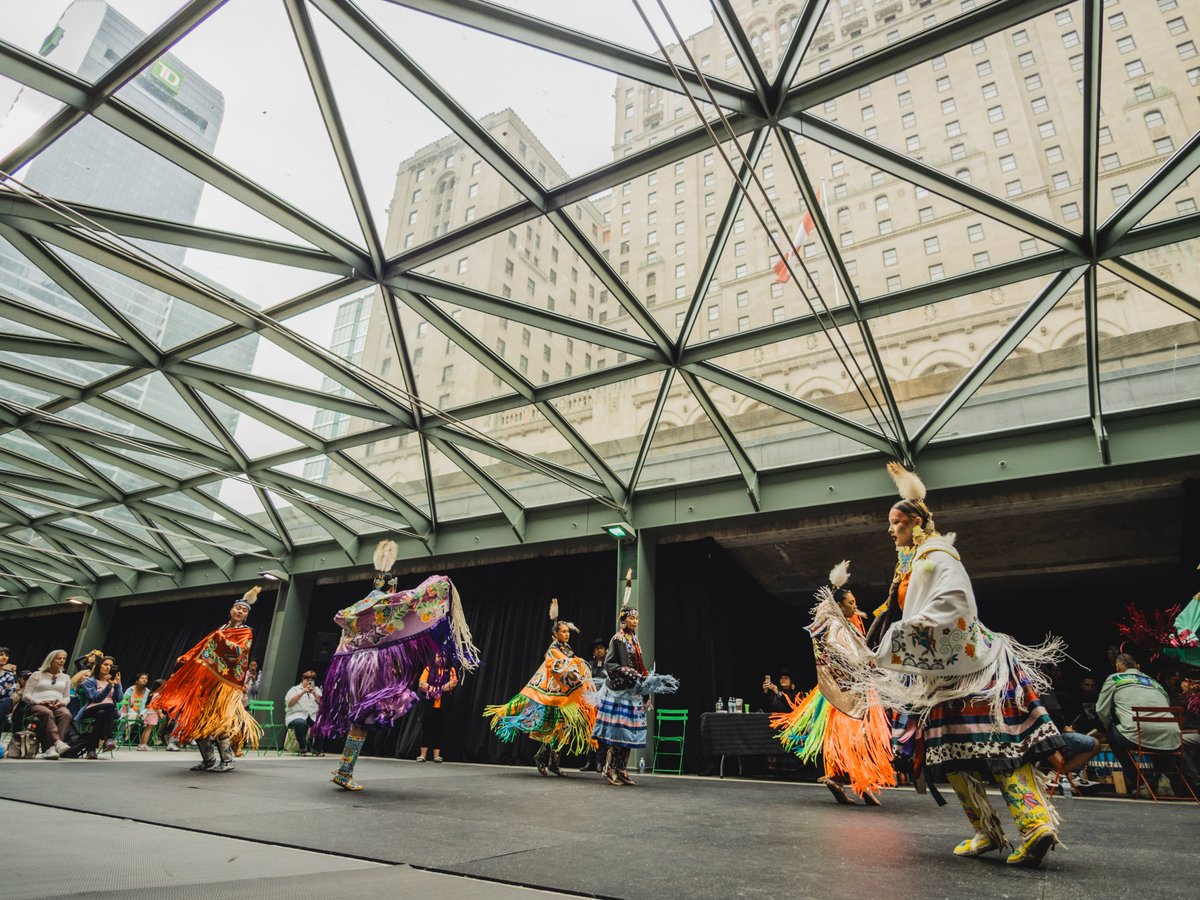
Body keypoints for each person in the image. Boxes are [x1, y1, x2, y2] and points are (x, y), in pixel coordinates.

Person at [868, 462, 1066, 868]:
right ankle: (987, 830)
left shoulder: (937, 555)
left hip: (974, 670)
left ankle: (1035, 826)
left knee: (1001, 747)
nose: (891, 530)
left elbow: (955, 604)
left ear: (918, 522)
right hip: (946, 676)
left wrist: (905, 635)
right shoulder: (916, 559)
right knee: (952, 755)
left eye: (897, 522)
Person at [311, 540, 479, 792]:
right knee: (364, 718)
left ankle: (345, 769)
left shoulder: (357, 609)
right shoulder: (386, 606)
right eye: (391, 586)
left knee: (361, 720)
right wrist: (439, 583)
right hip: (370, 666)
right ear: (387, 586)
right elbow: (410, 601)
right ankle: (344, 771)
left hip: (353, 666)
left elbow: (344, 628)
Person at [773, 561, 895, 806]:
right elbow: (840, 653)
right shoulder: (836, 626)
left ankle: (846, 780)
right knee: (857, 738)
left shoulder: (840, 625)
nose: (855, 606)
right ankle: (859, 783)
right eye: (850, 602)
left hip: (844, 692)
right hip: (847, 694)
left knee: (846, 740)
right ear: (838, 605)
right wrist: (863, 663)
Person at [154, 587, 263, 773]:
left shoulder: (246, 632)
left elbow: (238, 653)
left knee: (219, 722)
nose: (240, 611)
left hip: (225, 684)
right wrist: (187, 658)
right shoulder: (219, 629)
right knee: (198, 720)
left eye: (244, 610)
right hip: (207, 681)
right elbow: (203, 649)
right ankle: (208, 759)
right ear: (231, 610)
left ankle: (228, 760)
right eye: (238, 608)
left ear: (246, 616)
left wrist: (221, 640)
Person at [485, 600, 598, 776]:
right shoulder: (553, 649)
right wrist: (575, 662)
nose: (567, 634)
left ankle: (552, 762)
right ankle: (543, 756)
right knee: (553, 727)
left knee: (562, 728)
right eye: (564, 631)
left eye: (568, 631)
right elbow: (555, 665)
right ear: (555, 633)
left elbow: (570, 665)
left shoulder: (566, 648)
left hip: (564, 694)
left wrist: (578, 667)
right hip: (551, 694)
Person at [591, 593, 678, 787]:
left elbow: (639, 666)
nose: (636, 620)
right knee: (618, 732)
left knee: (630, 732)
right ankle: (610, 768)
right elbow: (610, 664)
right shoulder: (618, 639)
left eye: (637, 618)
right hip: (619, 692)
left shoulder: (634, 640)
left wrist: (645, 687)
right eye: (632, 617)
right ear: (623, 620)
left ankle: (622, 768)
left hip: (633, 691)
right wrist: (629, 673)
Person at [1096, 652, 1199, 798]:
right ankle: (1163, 777)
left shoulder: (1114, 678)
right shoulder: (1155, 682)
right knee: (1160, 738)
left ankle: (1140, 782)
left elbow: (1101, 710)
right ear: (1138, 667)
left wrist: (1108, 726)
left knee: (1113, 736)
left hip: (1136, 735)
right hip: (1171, 735)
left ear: (1118, 667)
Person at [66, 656, 122, 759]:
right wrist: (108, 687)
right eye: (105, 664)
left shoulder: (113, 681)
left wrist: (117, 685)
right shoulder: (89, 681)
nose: (108, 667)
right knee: (109, 707)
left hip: (106, 712)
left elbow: (119, 698)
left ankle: (91, 750)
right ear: (99, 666)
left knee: (102, 714)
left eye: (110, 665)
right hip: (91, 709)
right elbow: (95, 698)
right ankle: (107, 738)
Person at [24, 650, 73, 759]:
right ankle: (56, 743)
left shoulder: (66, 677)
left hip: (57, 705)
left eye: (64, 659)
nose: (62, 661)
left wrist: (62, 703)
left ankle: (51, 749)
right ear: (51, 660)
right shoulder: (37, 674)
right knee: (47, 712)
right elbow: (26, 695)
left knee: (66, 714)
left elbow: (67, 697)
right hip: (37, 704)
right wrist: (38, 702)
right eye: (59, 658)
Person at [415, 657, 457, 763]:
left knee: (439, 729)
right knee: (426, 729)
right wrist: (434, 689)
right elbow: (422, 683)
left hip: (442, 705)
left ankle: (436, 756)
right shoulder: (428, 669)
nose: (440, 659)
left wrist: (440, 689)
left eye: (442, 656)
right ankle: (423, 755)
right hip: (428, 704)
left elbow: (453, 683)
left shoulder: (450, 669)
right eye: (438, 656)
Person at [580, 638, 608, 772]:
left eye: (602, 648)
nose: (599, 650)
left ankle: (600, 762)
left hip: (602, 704)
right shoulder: (589, 665)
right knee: (589, 732)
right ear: (593, 651)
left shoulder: (608, 665)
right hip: (590, 704)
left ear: (606, 650)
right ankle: (590, 761)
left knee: (601, 734)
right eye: (597, 648)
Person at [284, 671, 323, 756]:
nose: (310, 682)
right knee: (301, 723)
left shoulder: (316, 690)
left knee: (321, 724)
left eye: (312, 680)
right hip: (296, 715)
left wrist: (314, 694)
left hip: (312, 716)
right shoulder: (294, 689)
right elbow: (290, 703)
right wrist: (302, 692)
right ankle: (303, 748)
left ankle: (317, 749)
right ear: (303, 680)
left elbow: (322, 703)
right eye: (308, 680)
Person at [137, 678, 168, 750]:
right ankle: (143, 745)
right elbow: (155, 706)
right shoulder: (157, 695)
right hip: (153, 713)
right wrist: (160, 713)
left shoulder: (154, 694)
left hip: (150, 713)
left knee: (147, 729)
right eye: (163, 686)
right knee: (148, 729)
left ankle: (142, 744)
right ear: (159, 687)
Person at [0, 646, 16, 738]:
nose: (4, 657)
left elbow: (10, 691)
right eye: (1, 655)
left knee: (7, 700)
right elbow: (5, 689)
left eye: (6, 655)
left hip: (2, 703)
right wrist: (3, 689)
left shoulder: (8, 674)